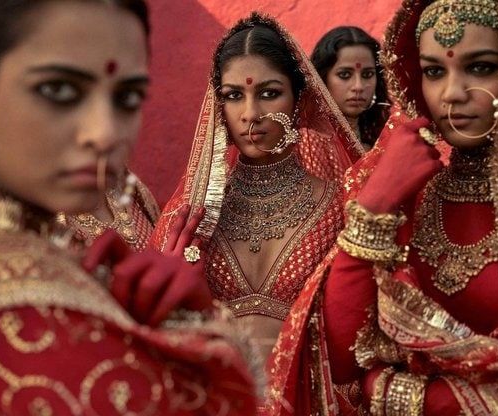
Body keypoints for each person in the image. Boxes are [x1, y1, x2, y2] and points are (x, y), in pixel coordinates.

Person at [0, 1, 257, 414]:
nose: (105, 132)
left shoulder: (102, 209)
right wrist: (211, 339)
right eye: (60, 90)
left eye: (128, 96)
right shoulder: (17, 308)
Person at [268, 0, 498, 415]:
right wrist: (375, 205)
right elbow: (339, 358)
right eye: (434, 71)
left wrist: (405, 396)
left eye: (481, 67)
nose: (452, 95)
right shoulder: (413, 196)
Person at [151, 12, 360, 403]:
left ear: (299, 100)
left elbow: (357, 339)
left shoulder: (339, 208)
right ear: (217, 105)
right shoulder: (191, 220)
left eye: (268, 93)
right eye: (233, 95)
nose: (250, 114)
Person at [311, 26, 391, 152]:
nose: (358, 86)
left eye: (367, 75)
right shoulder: (311, 144)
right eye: (344, 75)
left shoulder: (382, 140)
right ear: (322, 78)